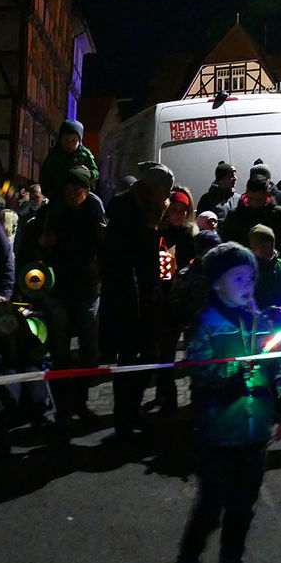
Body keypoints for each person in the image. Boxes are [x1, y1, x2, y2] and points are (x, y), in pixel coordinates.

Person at [172, 242, 281, 563]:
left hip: (255, 431)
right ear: (216, 284)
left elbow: (279, 361)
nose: (247, 283)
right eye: (238, 277)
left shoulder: (263, 321)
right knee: (211, 507)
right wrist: (230, 369)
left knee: (243, 509)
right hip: (218, 433)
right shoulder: (207, 325)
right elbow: (197, 372)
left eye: (251, 277)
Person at [19, 167, 106, 428]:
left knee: (90, 354)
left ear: (86, 191)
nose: (74, 195)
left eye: (79, 191)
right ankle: (64, 411)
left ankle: (80, 402)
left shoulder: (93, 211)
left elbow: (104, 249)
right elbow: (27, 252)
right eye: (70, 190)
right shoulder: (49, 214)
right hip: (57, 293)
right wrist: (41, 246)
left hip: (87, 291)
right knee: (60, 355)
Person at [101, 161, 173, 439]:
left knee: (149, 354)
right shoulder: (124, 205)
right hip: (126, 294)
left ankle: (132, 409)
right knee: (128, 357)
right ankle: (124, 418)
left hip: (147, 290)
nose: (167, 195)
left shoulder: (154, 207)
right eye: (165, 189)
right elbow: (122, 252)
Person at [149, 186, 197, 415]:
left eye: (182, 210)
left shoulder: (192, 236)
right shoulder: (164, 235)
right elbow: (165, 271)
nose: (178, 214)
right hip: (168, 301)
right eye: (174, 210)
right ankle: (167, 395)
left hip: (187, 301)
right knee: (166, 351)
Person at [219, 176, 281, 258]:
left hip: (273, 265)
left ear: (268, 194)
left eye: (259, 199)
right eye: (251, 199)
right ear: (246, 194)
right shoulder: (235, 216)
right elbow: (226, 245)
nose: (255, 203)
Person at [39, 119, 99, 201]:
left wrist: (90, 174)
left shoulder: (85, 154)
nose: (69, 144)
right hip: (58, 195)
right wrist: (49, 192)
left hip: (80, 197)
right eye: (66, 140)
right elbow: (44, 174)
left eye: (74, 141)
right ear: (61, 138)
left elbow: (95, 172)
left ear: (79, 140)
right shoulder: (54, 155)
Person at [248, 224, 281, 317]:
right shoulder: (248, 269)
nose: (268, 249)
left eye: (270, 245)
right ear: (253, 248)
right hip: (258, 320)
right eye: (263, 246)